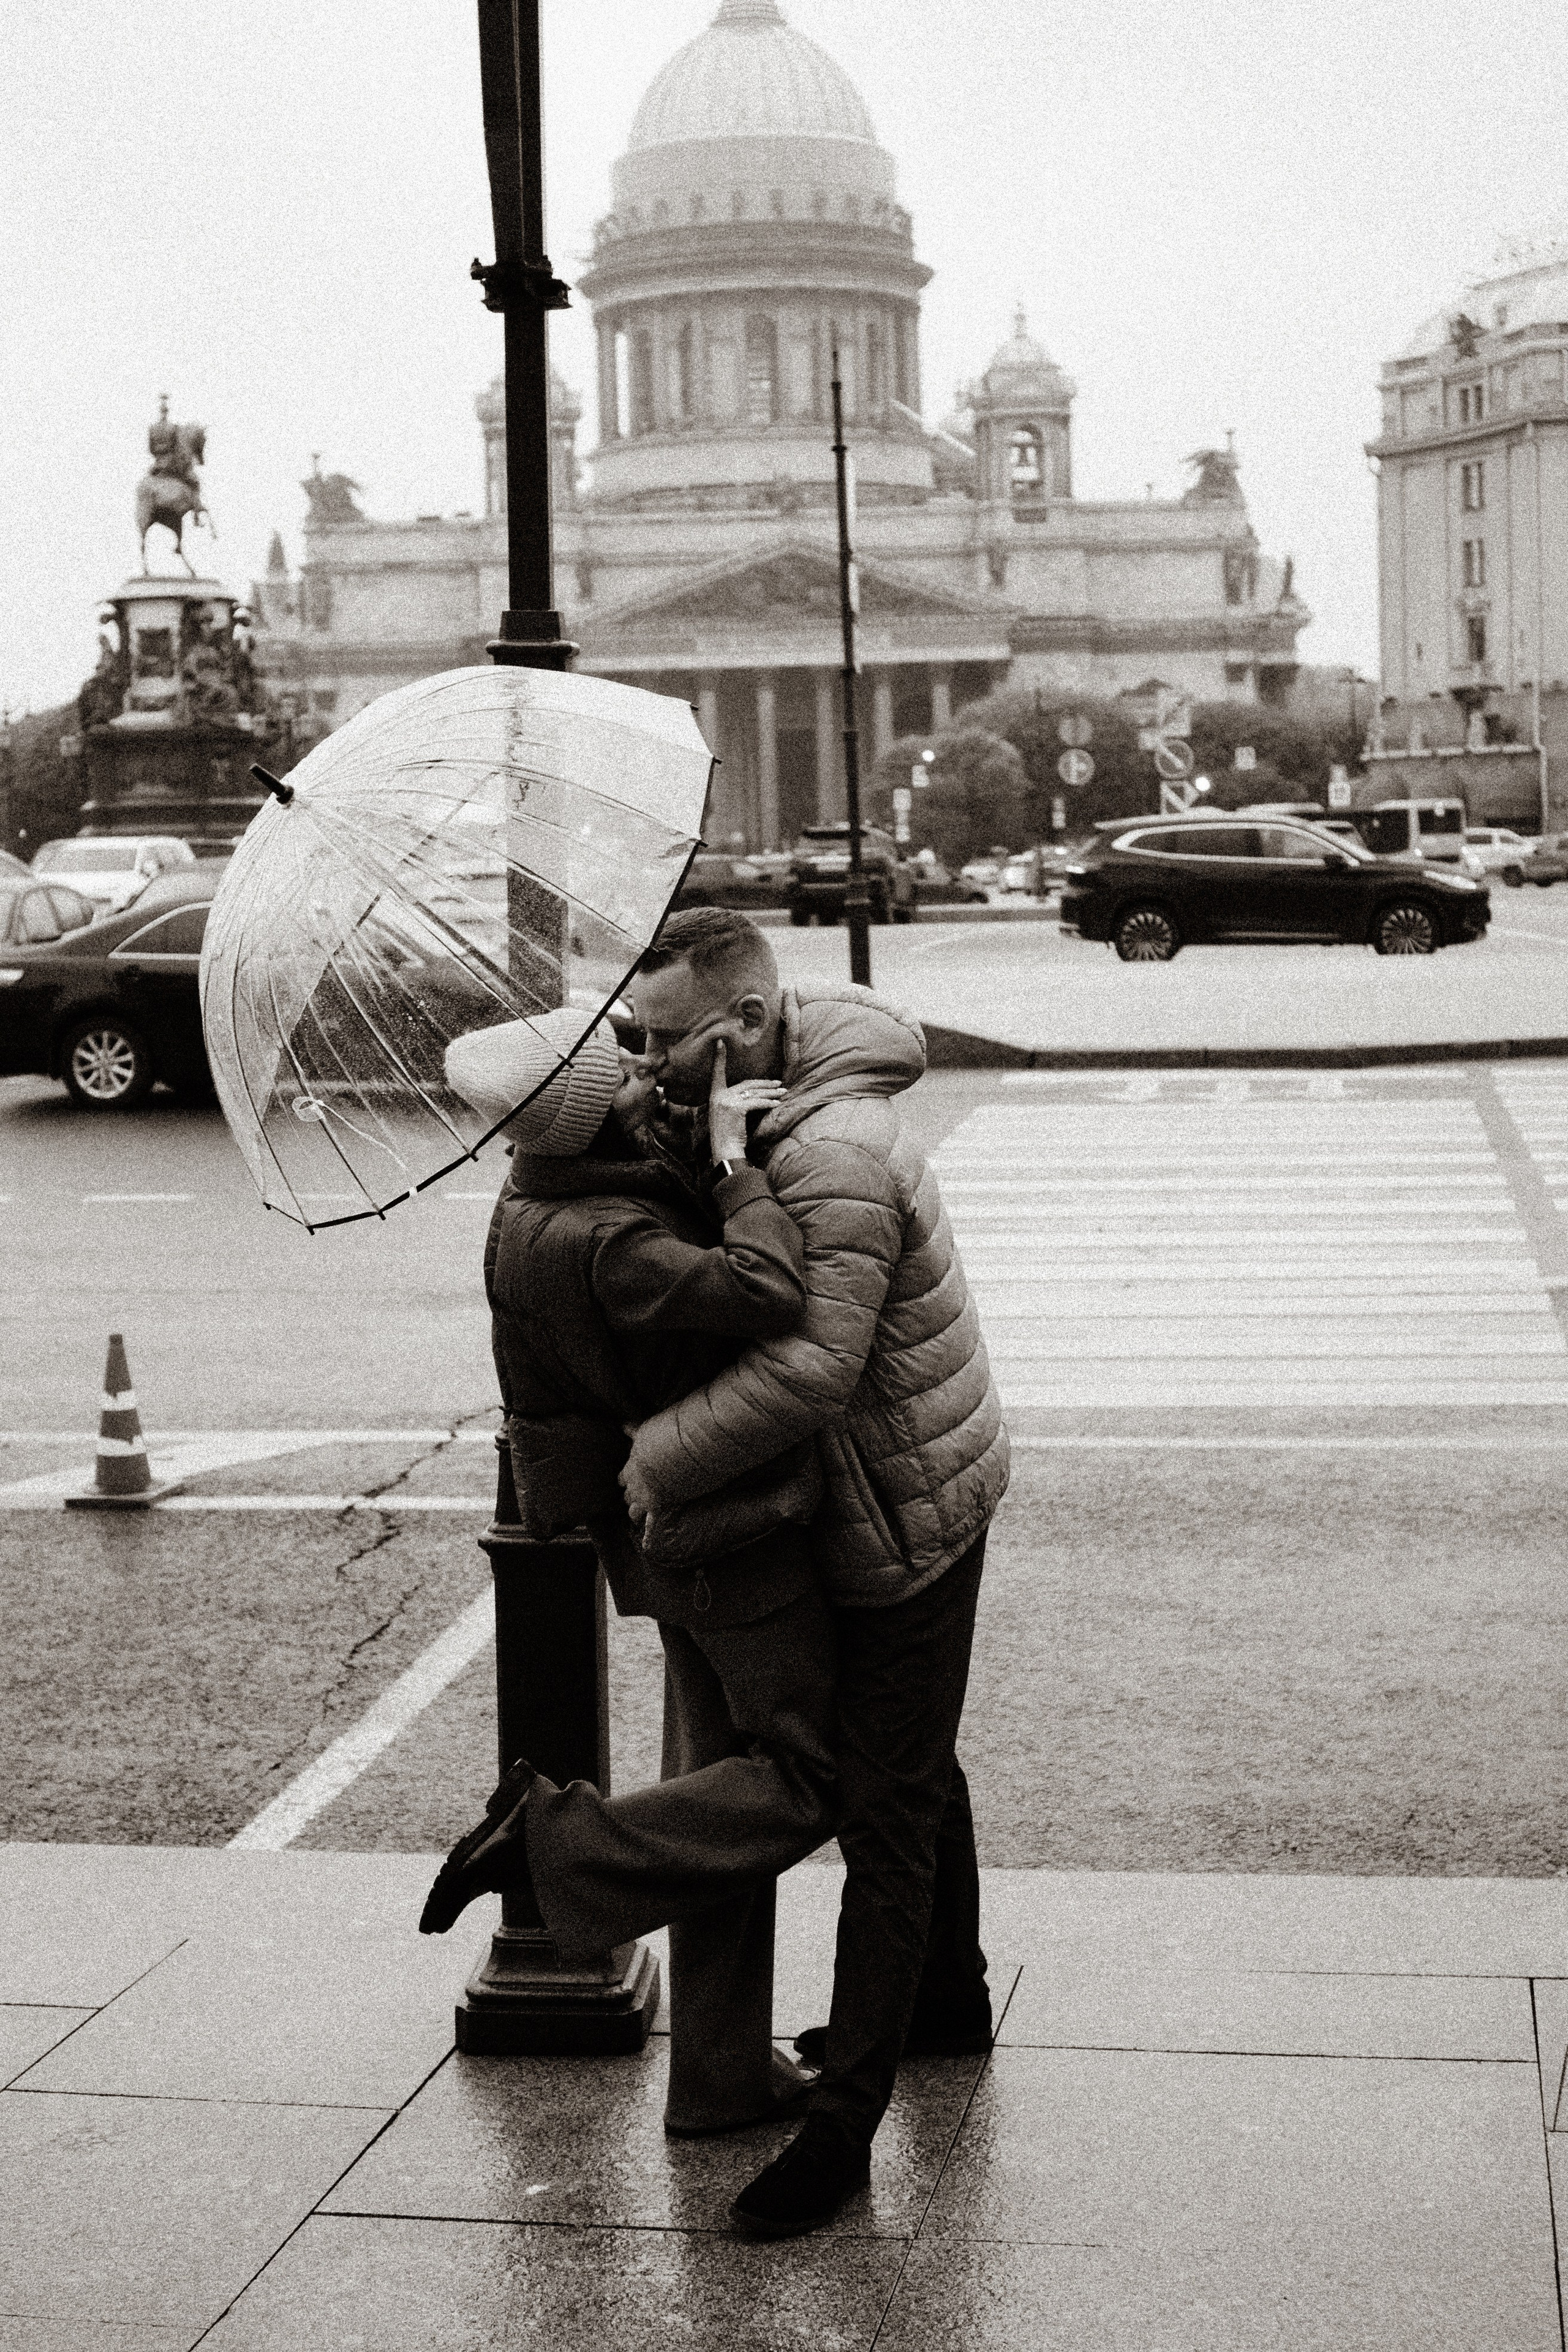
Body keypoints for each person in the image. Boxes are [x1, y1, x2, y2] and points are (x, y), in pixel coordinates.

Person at [618, 907, 1009, 2239]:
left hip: (905, 1508)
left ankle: (841, 2136)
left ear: (737, 1028)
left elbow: (813, 1368)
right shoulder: (775, 1098)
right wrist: (714, 1138)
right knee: (916, 1756)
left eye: (663, 1041)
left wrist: (656, 1456)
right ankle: (945, 2000)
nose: (644, 1060)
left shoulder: (833, 1150)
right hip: (908, 1471)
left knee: (881, 1806)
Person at [419, 1005, 839, 2138]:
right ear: (584, 1107)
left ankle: (718, 2075)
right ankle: (555, 1841)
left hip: (668, 1539)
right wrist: (741, 1171)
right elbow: (765, 1292)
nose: (647, 1071)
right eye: (624, 1068)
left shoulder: (536, 1197)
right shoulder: (609, 1243)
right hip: (721, 1530)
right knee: (816, 1776)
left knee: (720, 1798)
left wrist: (696, 1145)